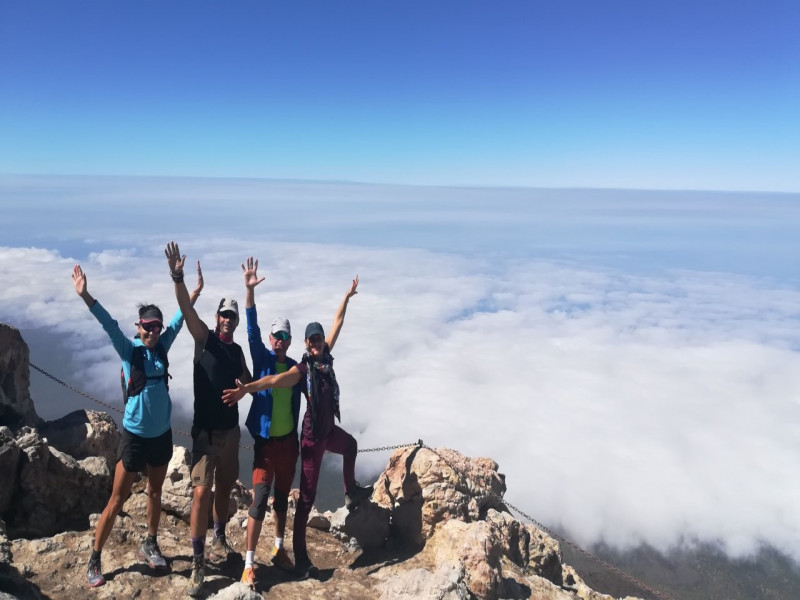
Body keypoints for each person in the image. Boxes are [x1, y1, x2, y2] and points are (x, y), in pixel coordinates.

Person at [223, 275, 374, 578]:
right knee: (296, 500)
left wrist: (346, 297)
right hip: (305, 439)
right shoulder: (301, 369)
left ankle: (350, 491)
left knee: (351, 447)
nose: (317, 343)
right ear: (305, 343)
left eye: (319, 339)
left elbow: (338, 323)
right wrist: (247, 388)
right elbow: (273, 379)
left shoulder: (325, 357)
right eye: (312, 340)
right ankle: (289, 558)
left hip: (319, 434)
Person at [72, 260, 203, 588]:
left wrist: (194, 292)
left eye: (157, 327)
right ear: (139, 325)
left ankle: (151, 542)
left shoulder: (162, 346)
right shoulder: (129, 349)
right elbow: (108, 324)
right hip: (134, 436)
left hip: (161, 435)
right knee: (117, 499)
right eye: (147, 326)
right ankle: (95, 556)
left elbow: (180, 317)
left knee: (155, 492)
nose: (153, 332)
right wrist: (86, 295)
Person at [164, 241, 252, 597]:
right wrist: (179, 278)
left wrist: (247, 391)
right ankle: (198, 562)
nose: (227, 320)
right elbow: (186, 309)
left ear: (236, 321)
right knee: (201, 493)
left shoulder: (237, 351)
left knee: (226, 488)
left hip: (231, 434)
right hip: (204, 434)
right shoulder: (205, 339)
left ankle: (218, 538)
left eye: (232, 316)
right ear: (216, 318)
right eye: (224, 315)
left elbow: (249, 383)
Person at [238, 256, 302, 589]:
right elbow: (251, 329)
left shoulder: (294, 368)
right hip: (265, 445)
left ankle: (278, 549)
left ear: (289, 341)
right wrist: (249, 292)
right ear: (271, 337)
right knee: (259, 500)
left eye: (284, 336)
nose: (279, 340)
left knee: (281, 498)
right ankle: (249, 564)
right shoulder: (262, 358)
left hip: (288, 444)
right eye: (276, 335)